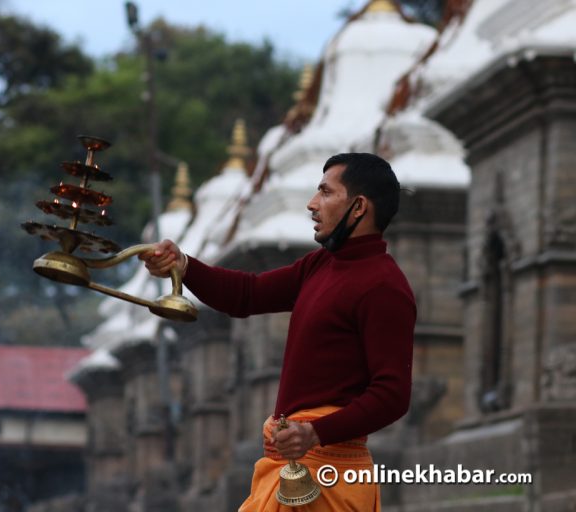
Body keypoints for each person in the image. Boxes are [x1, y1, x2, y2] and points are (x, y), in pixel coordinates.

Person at [140, 153, 416, 511]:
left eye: (325, 193)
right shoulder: (321, 265)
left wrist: (316, 433)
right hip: (289, 467)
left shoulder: (384, 286)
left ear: (359, 206)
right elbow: (247, 295)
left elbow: (393, 394)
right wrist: (184, 266)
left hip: (328, 477)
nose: (312, 204)